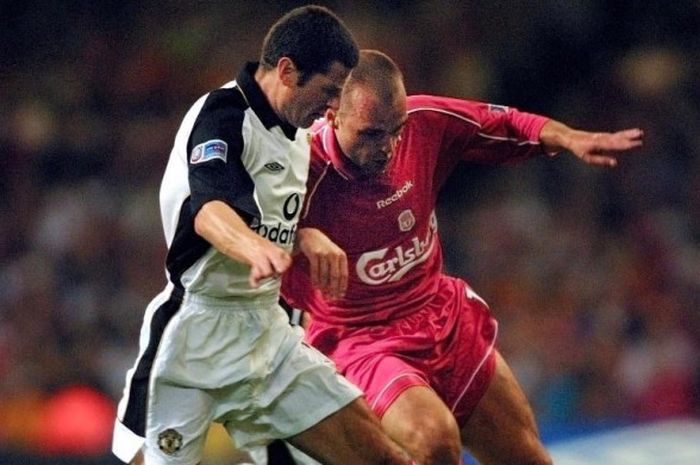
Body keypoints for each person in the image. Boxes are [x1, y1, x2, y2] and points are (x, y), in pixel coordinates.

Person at [273, 50, 644, 465]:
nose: (388, 148)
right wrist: (302, 236)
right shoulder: (295, 167)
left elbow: (502, 122)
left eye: (396, 131)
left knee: (528, 458)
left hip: (441, 316)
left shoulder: (424, 120)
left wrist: (566, 137)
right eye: (372, 134)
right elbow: (233, 226)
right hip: (362, 340)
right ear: (333, 113)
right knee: (435, 441)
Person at [112, 9, 418, 465]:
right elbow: (209, 209)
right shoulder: (222, 116)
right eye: (330, 91)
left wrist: (304, 238)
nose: (334, 106)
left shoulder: (298, 135)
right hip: (197, 333)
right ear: (288, 70)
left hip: (267, 333)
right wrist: (256, 249)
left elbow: (274, 217)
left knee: (383, 457)